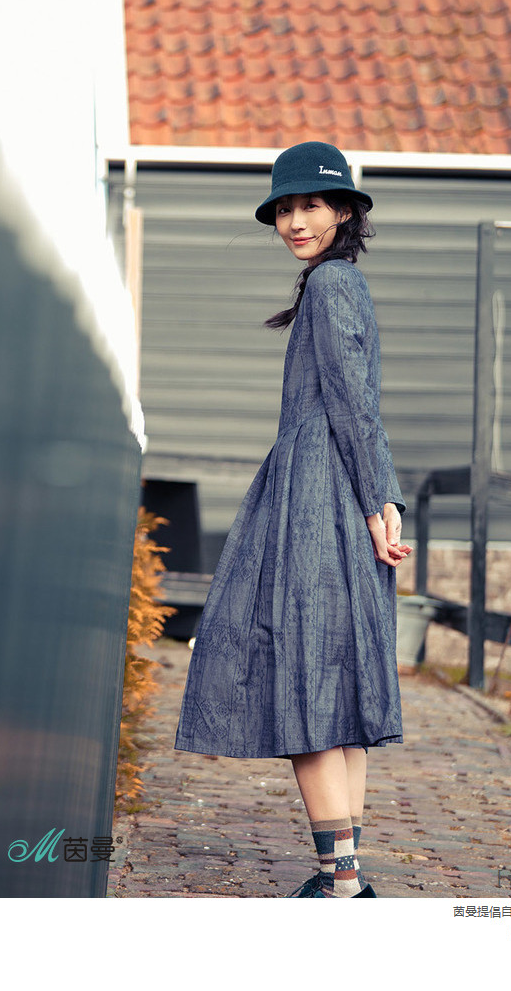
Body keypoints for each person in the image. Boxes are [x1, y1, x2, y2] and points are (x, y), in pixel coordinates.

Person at [174, 141, 412, 899]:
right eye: (284, 208)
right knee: (334, 683)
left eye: (311, 205)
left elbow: (352, 404)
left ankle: (340, 884)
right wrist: (380, 499)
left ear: (343, 211)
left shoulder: (333, 284)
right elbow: (358, 406)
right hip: (329, 488)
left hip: (320, 497)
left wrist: (377, 502)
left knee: (304, 678)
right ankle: (346, 881)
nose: (295, 221)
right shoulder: (337, 284)